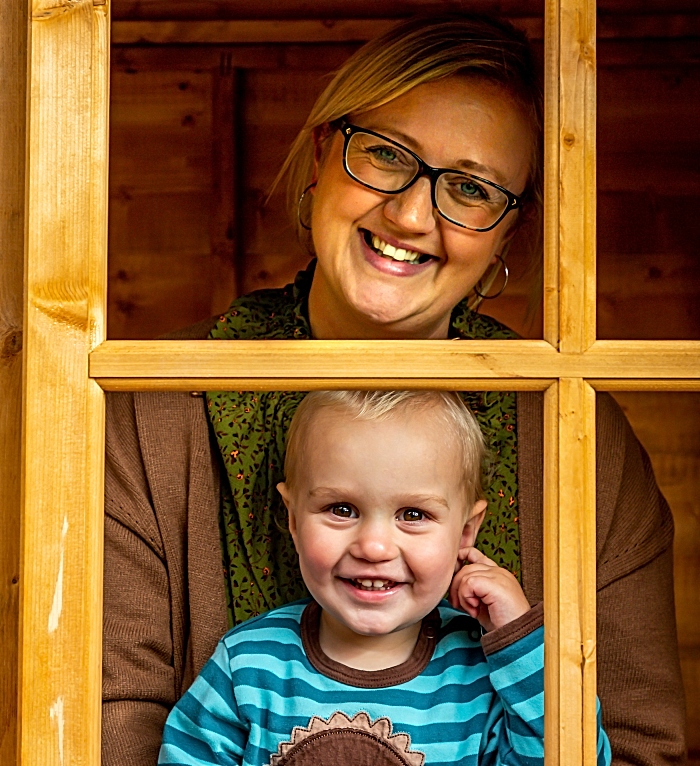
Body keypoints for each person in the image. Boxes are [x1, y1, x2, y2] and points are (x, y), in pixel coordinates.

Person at [102, 13, 686, 766]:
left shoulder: (571, 420)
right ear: (321, 156)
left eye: (471, 189)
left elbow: (634, 743)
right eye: (384, 154)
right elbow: (102, 718)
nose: (411, 214)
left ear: (508, 233)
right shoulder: (153, 402)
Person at [158, 390, 611, 766]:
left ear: (466, 532)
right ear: (292, 518)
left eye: (413, 514)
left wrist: (520, 641)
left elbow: (577, 758)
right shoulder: (247, 666)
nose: (374, 547)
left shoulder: (482, 674)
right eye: (341, 509)